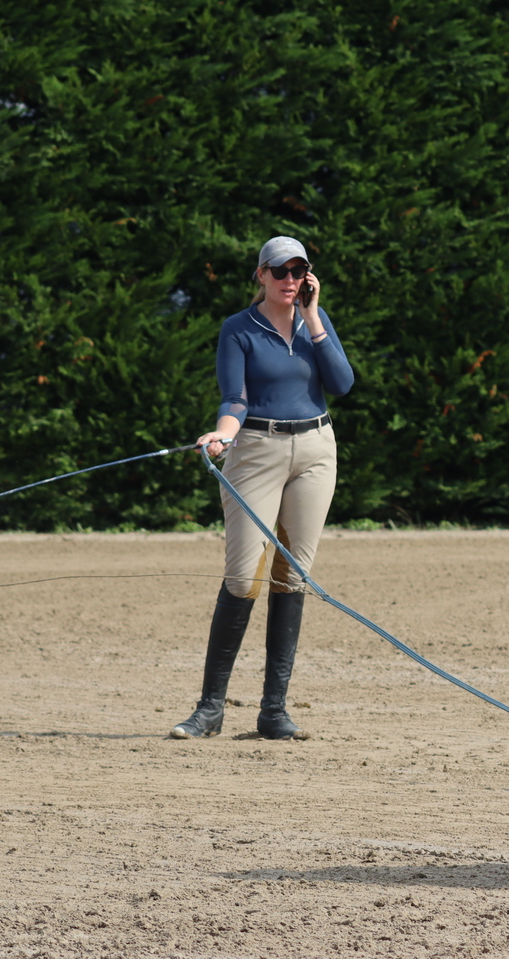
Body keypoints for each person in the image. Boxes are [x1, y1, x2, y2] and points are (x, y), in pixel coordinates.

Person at [171, 236, 355, 740]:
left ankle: (274, 711)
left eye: (299, 271)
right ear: (261, 276)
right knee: (242, 577)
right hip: (256, 450)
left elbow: (341, 383)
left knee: (292, 576)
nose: (290, 280)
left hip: (317, 450)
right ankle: (210, 708)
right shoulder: (239, 329)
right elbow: (235, 399)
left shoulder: (314, 322)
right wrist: (221, 436)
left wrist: (316, 320)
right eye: (281, 272)